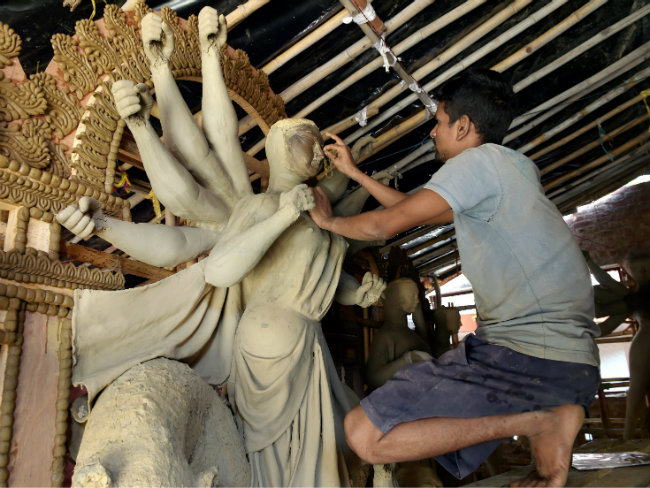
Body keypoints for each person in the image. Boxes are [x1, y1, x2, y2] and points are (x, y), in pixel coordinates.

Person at [58, 8, 385, 487]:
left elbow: (317, 277)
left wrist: (355, 294)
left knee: (329, 451)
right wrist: (280, 215)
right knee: (274, 465)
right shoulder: (257, 208)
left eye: (315, 142)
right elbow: (219, 268)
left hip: (308, 346)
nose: (313, 146)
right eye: (301, 138)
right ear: (276, 152)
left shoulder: (321, 219)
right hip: (262, 352)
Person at [309, 69, 600, 487]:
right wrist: (354, 174)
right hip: (569, 366)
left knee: (365, 435)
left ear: (463, 126)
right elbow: (416, 208)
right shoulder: (511, 170)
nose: (432, 131)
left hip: (522, 354)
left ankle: (540, 423)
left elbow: (384, 226)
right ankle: (547, 421)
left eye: (440, 121)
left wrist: (329, 221)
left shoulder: (478, 162)